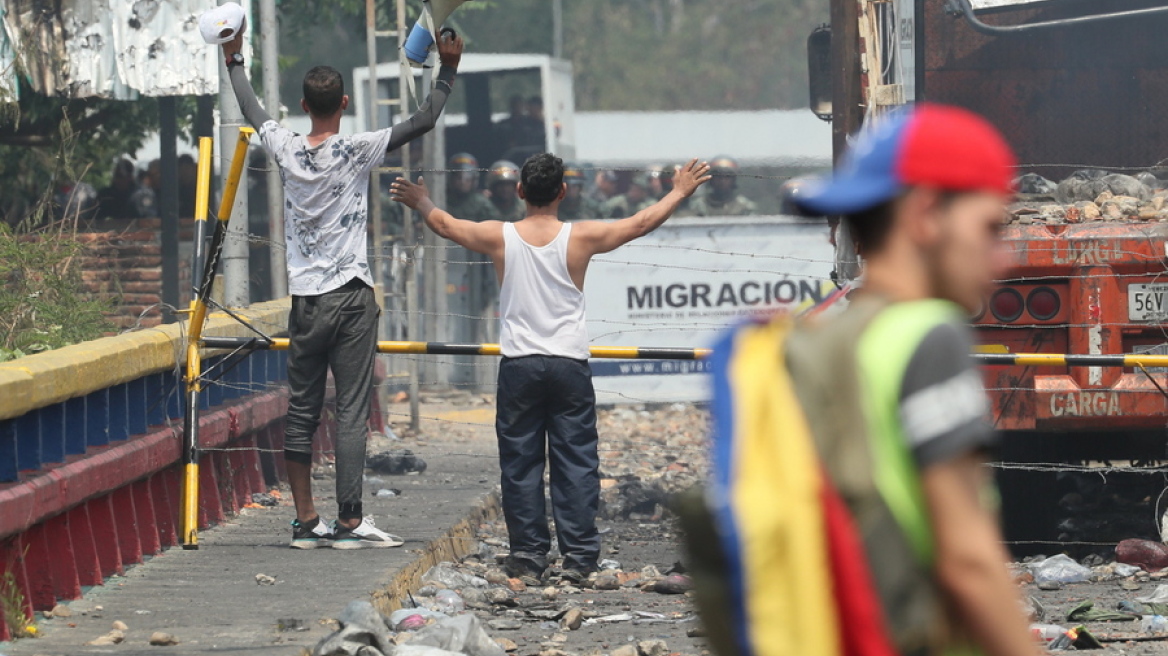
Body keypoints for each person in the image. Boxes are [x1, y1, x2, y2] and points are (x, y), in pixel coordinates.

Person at [694, 105, 1036, 656]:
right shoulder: (929, 335)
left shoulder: (820, 339)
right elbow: (967, 559)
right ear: (925, 213)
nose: (1003, 257)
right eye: (991, 227)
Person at [391, 154, 711, 581]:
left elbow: (448, 225)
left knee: (520, 463)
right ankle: (579, 558)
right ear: (563, 192)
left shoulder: (500, 236)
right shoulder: (581, 237)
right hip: (568, 365)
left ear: (520, 191)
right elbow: (638, 223)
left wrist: (422, 201)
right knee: (576, 462)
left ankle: (527, 555)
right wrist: (679, 191)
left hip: (520, 364)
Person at [221, 22, 465, 549]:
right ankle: (351, 521)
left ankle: (306, 522)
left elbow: (251, 109)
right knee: (351, 409)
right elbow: (424, 119)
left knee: (303, 409)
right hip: (352, 297)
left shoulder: (285, 147)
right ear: (344, 103)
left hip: (306, 301)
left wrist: (234, 57)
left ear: (304, 106)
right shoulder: (357, 149)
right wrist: (447, 68)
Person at [689, 156, 756, 217]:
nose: (722, 181)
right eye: (718, 176)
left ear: (734, 180)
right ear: (711, 179)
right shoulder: (698, 206)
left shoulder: (745, 207)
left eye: (727, 176)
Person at [447, 153, 500, 223]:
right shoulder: (441, 199)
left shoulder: (482, 204)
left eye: (467, 178)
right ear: (451, 178)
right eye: (458, 177)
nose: (462, 182)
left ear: (474, 180)